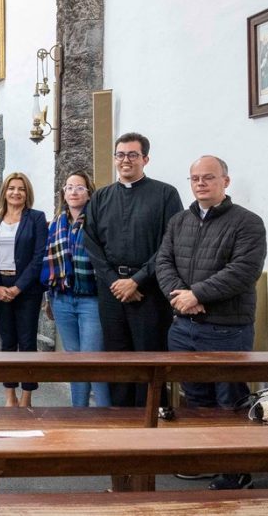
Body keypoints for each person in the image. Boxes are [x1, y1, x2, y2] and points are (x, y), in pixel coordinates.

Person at [156, 156, 267, 491]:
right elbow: (164, 261)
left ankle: (236, 469)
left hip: (226, 327)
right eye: (194, 178)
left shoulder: (248, 223)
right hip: (184, 326)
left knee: (229, 400)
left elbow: (243, 270)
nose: (200, 183)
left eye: (208, 177)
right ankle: (205, 460)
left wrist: (197, 294)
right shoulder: (179, 221)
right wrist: (179, 297)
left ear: (225, 182)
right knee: (195, 398)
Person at [84, 132, 183, 407]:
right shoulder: (101, 197)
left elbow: (170, 243)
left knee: (149, 359)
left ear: (145, 159)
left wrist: (137, 281)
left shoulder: (165, 194)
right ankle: (120, 423)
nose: (125, 160)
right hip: (112, 291)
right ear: (115, 159)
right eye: (120, 155)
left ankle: (151, 423)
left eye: (132, 155)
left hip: (150, 291)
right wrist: (116, 281)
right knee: (118, 360)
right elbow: (91, 243)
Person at [41, 171, 110, 407]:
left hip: (91, 298)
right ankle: (78, 412)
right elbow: (48, 261)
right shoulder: (57, 223)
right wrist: (48, 298)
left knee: (93, 359)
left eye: (79, 187)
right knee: (73, 360)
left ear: (89, 193)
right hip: (62, 298)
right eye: (69, 187)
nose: (73, 192)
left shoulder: (98, 220)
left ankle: (104, 415)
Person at [0, 173, 47, 407]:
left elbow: (39, 257)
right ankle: (9, 395)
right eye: (11, 188)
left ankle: (27, 396)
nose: (16, 192)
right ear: (5, 192)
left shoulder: (36, 219)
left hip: (27, 289)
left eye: (21, 188)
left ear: (27, 193)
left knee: (27, 342)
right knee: (7, 341)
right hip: (1, 287)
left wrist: (20, 287)